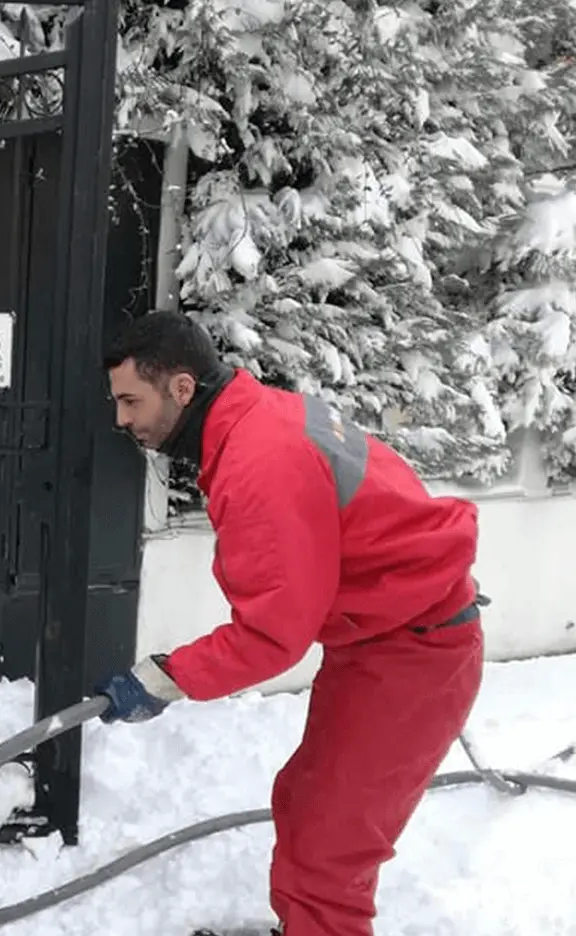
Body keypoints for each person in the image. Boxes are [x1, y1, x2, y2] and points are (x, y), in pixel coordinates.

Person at [93, 311, 485, 936]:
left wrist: (165, 679)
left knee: (328, 851)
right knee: (307, 803)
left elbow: (273, 634)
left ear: (182, 389)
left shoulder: (259, 461)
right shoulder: (265, 416)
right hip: (386, 637)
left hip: (413, 654)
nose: (122, 420)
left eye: (131, 401)